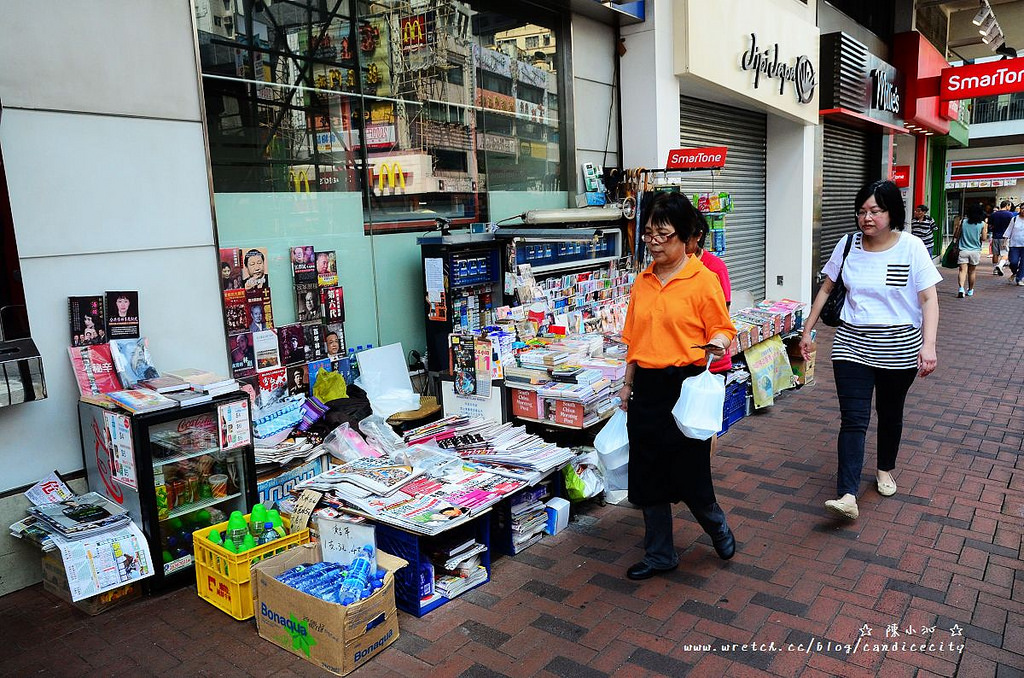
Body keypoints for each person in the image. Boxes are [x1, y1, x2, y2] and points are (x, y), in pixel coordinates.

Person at [800, 179, 940, 521]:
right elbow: (826, 288)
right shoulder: (848, 245)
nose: (867, 218)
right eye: (862, 211)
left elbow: (928, 299)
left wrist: (929, 344)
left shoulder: (911, 247)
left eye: (875, 211)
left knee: (890, 415)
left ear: (892, 212)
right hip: (851, 345)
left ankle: (884, 469)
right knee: (854, 420)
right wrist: (807, 330)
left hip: (900, 348)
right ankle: (847, 493)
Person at [617, 191, 737, 580]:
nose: (652, 242)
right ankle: (660, 555)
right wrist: (627, 385)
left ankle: (715, 523)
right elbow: (634, 341)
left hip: (685, 386)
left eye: (661, 234)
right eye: (648, 234)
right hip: (648, 389)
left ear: (685, 236)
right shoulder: (643, 282)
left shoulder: (702, 280)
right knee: (647, 473)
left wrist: (717, 342)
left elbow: (722, 328)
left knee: (690, 474)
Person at [957, 203, 988, 298]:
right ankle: (970, 290)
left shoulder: (963, 222)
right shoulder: (982, 224)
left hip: (963, 249)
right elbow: (984, 238)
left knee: (962, 270)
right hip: (975, 250)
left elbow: (956, 235)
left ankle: (961, 289)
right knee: (972, 271)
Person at [988, 201, 1015, 275]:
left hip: (995, 236)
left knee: (995, 254)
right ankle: (1000, 265)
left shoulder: (993, 214)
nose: (1010, 208)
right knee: (1005, 253)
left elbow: (990, 226)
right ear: (1007, 205)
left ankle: (995, 269)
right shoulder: (1010, 215)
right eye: (1009, 206)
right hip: (1005, 237)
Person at [1004, 204, 1024, 287]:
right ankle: (1015, 273)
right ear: (1020, 209)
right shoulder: (1015, 219)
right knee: (1013, 262)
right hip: (1014, 244)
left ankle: (1019, 279)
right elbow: (1009, 230)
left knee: (1023, 263)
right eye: (1022, 208)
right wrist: (1005, 241)